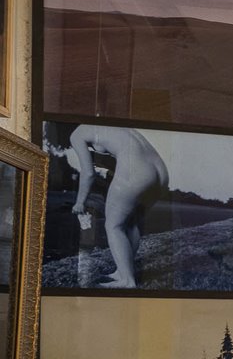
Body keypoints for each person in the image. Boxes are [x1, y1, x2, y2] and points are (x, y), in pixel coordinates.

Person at [44, 122, 169, 289]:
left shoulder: (78, 133)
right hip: (161, 173)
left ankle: (127, 281)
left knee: (113, 225)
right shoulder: (105, 125)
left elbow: (88, 173)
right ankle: (123, 271)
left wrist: (80, 202)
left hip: (139, 172)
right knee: (130, 223)